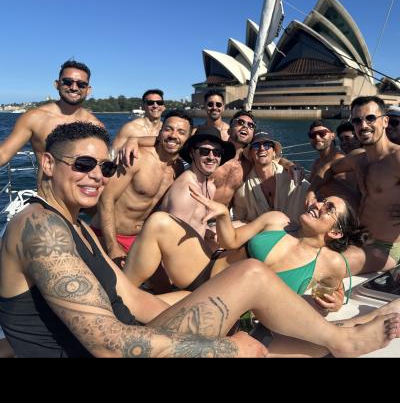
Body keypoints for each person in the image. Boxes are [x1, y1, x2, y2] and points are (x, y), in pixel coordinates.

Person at [0, 122, 398, 358]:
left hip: (124, 337)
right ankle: (343, 340)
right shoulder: (40, 227)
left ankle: (343, 335)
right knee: (252, 290)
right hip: (111, 351)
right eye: (83, 164)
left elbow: (134, 299)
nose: (96, 176)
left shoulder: (75, 227)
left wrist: (213, 315)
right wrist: (229, 349)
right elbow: (108, 346)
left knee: (250, 283)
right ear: (47, 164)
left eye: (104, 167)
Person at [125, 191, 361, 314]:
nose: (317, 205)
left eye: (328, 208)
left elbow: (330, 295)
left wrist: (335, 304)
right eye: (321, 201)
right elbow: (231, 241)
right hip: (204, 270)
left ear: (336, 232)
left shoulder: (330, 264)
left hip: (222, 307)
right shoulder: (277, 220)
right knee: (159, 221)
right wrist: (223, 215)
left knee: (137, 311)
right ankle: (121, 289)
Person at [307, 96, 400, 274]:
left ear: (385, 121)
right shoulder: (357, 158)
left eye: (370, 118)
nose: (363, 125)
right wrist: (311, 191)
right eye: (357, 120)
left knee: (323, 264)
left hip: (384, 247)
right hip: (356, 236)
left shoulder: (396, 158)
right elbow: (329, 168)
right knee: (302, 249)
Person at [90, 111, 191, 268]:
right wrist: (112, 246)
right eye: (168, 129)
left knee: (169, 279)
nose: (173, 135)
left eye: (181, 132)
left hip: (140, 239)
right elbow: (106, 198)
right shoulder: (136, 158)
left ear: (188, 139)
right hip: (108, 236)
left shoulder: (178, 169)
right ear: (160, 132)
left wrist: (135, 139)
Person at [0, 60, 104, 176]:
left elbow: (102, 166)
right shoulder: (34, 118)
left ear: (88, 90)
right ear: (57, 84)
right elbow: (3, 154)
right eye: (68, 82)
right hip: (47, 188)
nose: (74, 87)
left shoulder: (96, 125)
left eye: (81, 84)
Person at [160, 127, 236, 239]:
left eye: (217, 152)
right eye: (204, 151)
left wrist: (208, 232)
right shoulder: (186, 191)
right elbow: (172, 239)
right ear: (192, 153)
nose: (211, 157)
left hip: (197, 242)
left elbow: (197, 224)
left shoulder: (210, 186)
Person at [232, 132, 310, 224]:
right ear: (251, 154)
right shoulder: (243, 189)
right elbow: (239, 218)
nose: (262, 148)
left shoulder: (293, 177)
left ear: (274, 152)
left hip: (297, 231)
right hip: (262, 232)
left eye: (267, 145)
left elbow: (311, 199)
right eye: (256, 146)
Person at [112, 90, 166, 165]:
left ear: (163, 107)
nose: (155, 106)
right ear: (143, 106)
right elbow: (113, 155)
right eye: (150, 103)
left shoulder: (167, 130)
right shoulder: (130, 128)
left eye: (159, 103)